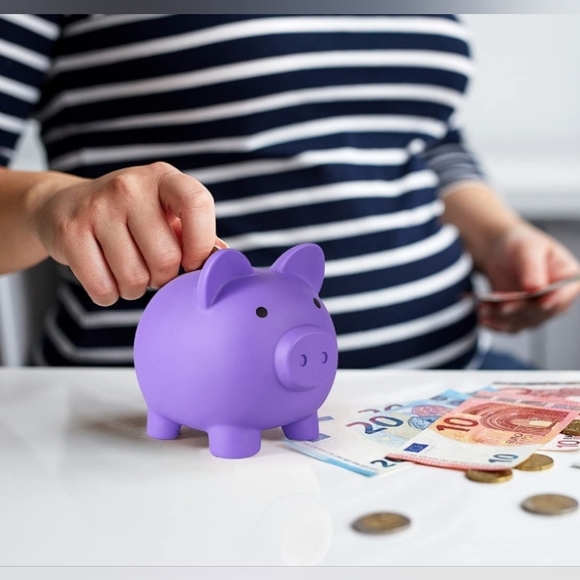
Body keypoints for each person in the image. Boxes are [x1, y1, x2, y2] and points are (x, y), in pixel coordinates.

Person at [0, 14, 579, 369]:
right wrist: (49, 205)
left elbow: (425, 136)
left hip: (439, 385)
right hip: (168, 416)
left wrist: (497, 233)